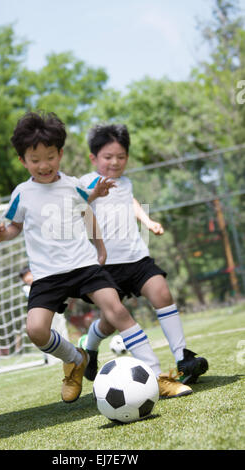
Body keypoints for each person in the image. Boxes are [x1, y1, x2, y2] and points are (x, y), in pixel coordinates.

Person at [0, 111, 188, 405]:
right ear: (22, 161)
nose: (44, 165)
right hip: (47, 274)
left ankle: (158, 377)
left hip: (84, 265)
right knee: (36, 330)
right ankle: (74, 359)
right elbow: (15, 228)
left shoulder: (71, 185)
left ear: (60, 153)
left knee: (118, 312)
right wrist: (1, 234)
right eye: (35, 159)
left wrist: (100, 247)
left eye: (50, 156)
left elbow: (87, 209)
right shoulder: (22, 193)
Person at [80, 123, 209, 388]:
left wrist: (148, 222)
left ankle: (182, 358)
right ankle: (89, 344)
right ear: (93, 158)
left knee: (161, 291)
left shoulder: (125, 182)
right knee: (110, 320)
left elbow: (130, 201)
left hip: (136, 258)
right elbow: (77, 209)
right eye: (108, 157)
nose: (115, 162)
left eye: (121, 157)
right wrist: (92, 195)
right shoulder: (84, 183)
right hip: (104, 266)